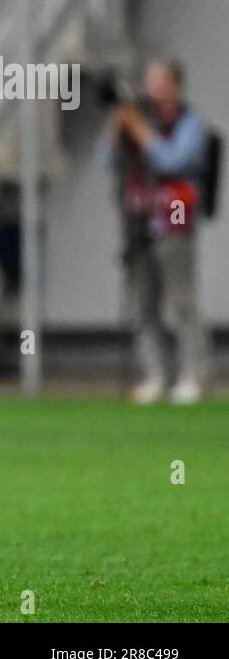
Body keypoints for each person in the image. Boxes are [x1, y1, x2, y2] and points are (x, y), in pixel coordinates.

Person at [107, 60, 211, 404]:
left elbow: (173, 161)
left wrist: (140, 131)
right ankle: (156, 374)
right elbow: (107, 160)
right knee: (144, 305)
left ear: (175, 84)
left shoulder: (189, 123)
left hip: (175, 217)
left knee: (182, 301)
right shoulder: (139, 120)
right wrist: (117, 129)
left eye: (159, 81)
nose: (152, 88)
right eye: (149, 80)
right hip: (139, 221)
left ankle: (193, 374)